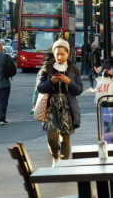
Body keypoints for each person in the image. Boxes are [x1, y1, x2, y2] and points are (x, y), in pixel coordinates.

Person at [37, 39, 83, 167]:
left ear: (67, 53)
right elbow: (40, 88)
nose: (59, 57)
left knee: (65, 138)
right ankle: (55, 157)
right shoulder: (46, 68)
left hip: (68, 105)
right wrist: (51, 81)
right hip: (51, 106)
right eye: (57, 54)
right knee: (52, 138)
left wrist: (69, 81)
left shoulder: (74, 69)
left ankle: (63, 165)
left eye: (62, 54)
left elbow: (79, 90)